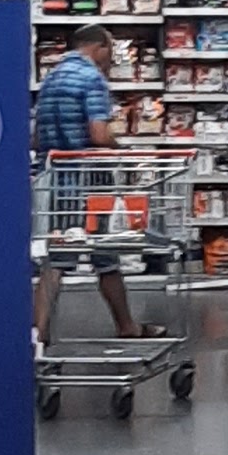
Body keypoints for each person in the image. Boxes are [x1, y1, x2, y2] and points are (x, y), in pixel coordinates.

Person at [33, 25, 139, 347]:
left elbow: (36, 138)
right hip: (89, 180)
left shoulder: (52, 77)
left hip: (56, 181)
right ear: (100, 47)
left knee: (56, 257)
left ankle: (38, 334)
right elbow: (99, 135)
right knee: (105, 254)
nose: (111, 60)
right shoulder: (92, 79)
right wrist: (125, 155)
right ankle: (125, 326)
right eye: (111, 51)